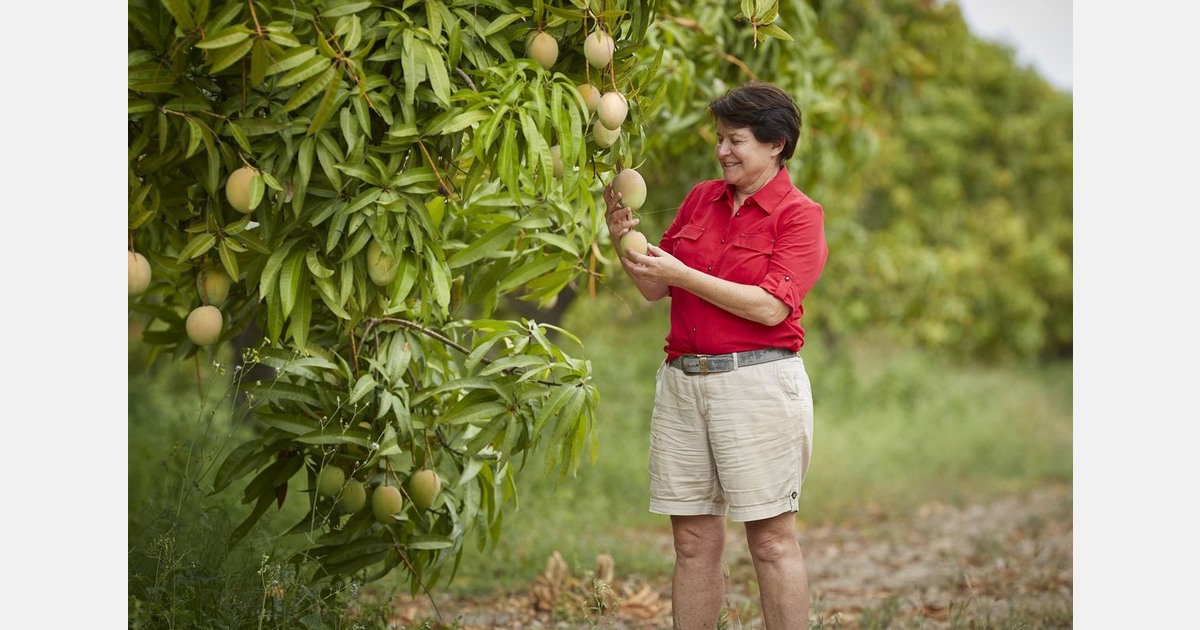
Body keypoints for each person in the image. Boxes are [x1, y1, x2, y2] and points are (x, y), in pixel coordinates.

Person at [604, 80, 828, 629]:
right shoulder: (701, 198)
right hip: (684, 382)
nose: (722, 150)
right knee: (692, 541)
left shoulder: (800, 215)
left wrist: (683, 274)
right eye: (720, 138)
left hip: (756, 384)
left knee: (771, 541)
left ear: (775, 144)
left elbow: (771, 308)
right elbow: (656, 287)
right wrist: (621, 240)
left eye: (736, 140)